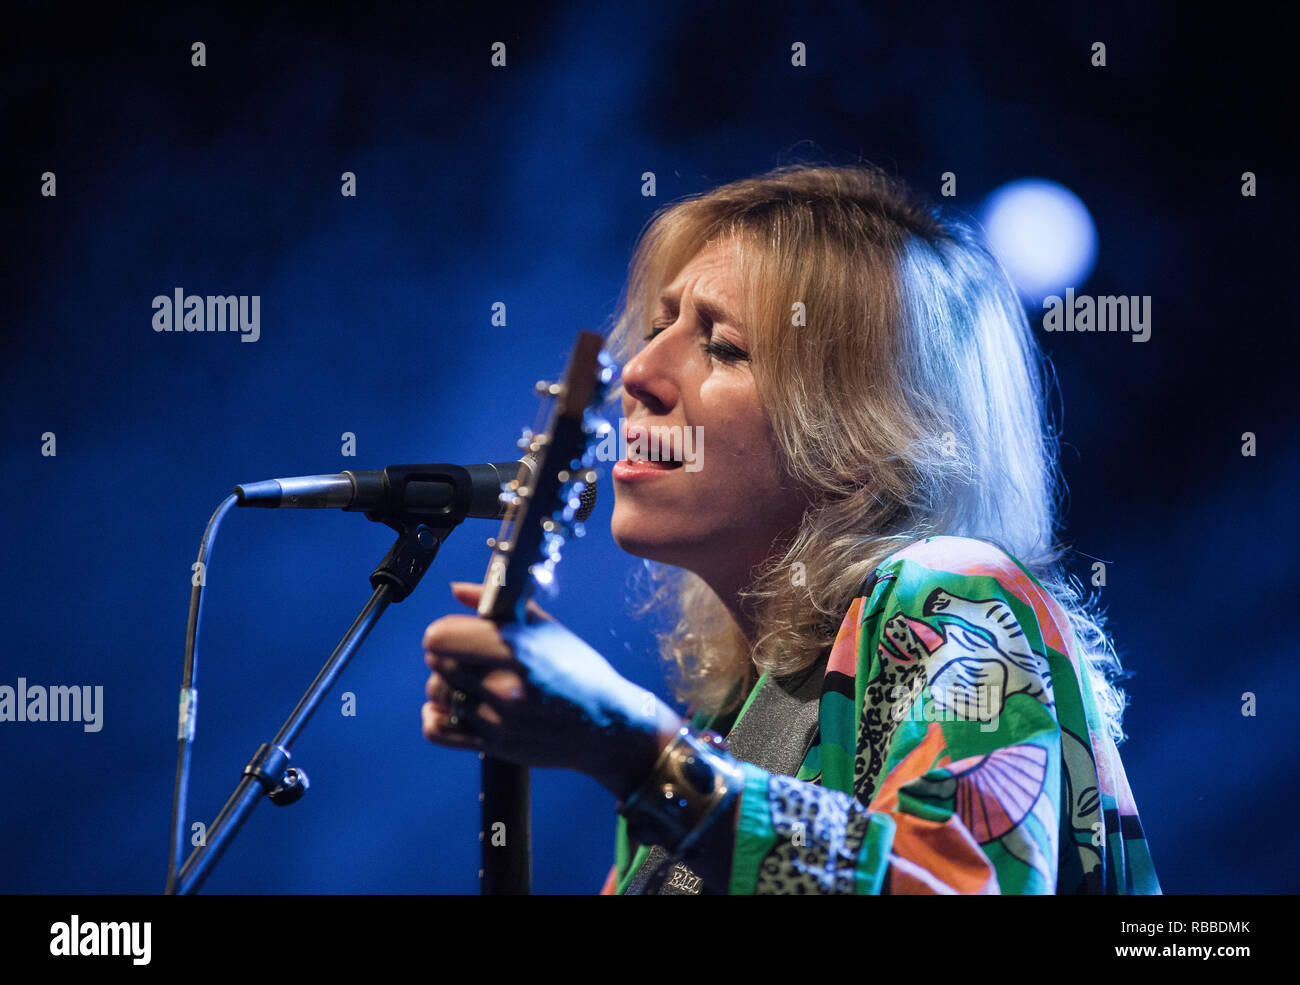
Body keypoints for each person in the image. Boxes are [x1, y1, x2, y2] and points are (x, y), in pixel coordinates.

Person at [420, 163, 1161, 894]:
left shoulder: (951, 591)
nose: (637, 370)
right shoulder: (717, 728)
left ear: (863, 437)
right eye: (656, 328)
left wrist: (639, 753)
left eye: (723, 345)